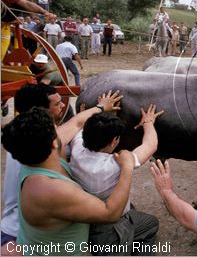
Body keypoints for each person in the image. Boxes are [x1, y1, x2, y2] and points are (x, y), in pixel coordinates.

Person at [1, 87, 123, 256]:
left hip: (30, 231)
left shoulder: (29, 147)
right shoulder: (50, 188)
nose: (60, 131)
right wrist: (128, 166)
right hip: (16, 232)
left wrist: (101, 107)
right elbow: (110, 213)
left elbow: (75, 123)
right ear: (53, 144)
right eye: (54, 130)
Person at [70, 105, 164, 255]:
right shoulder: (115, 165)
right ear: (114, 141)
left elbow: (79, 127)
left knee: (150, 223)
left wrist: (100, 110)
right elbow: (151, 145)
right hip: (110, 229)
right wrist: (148, 122)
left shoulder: (76, 148)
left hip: (85, 217)